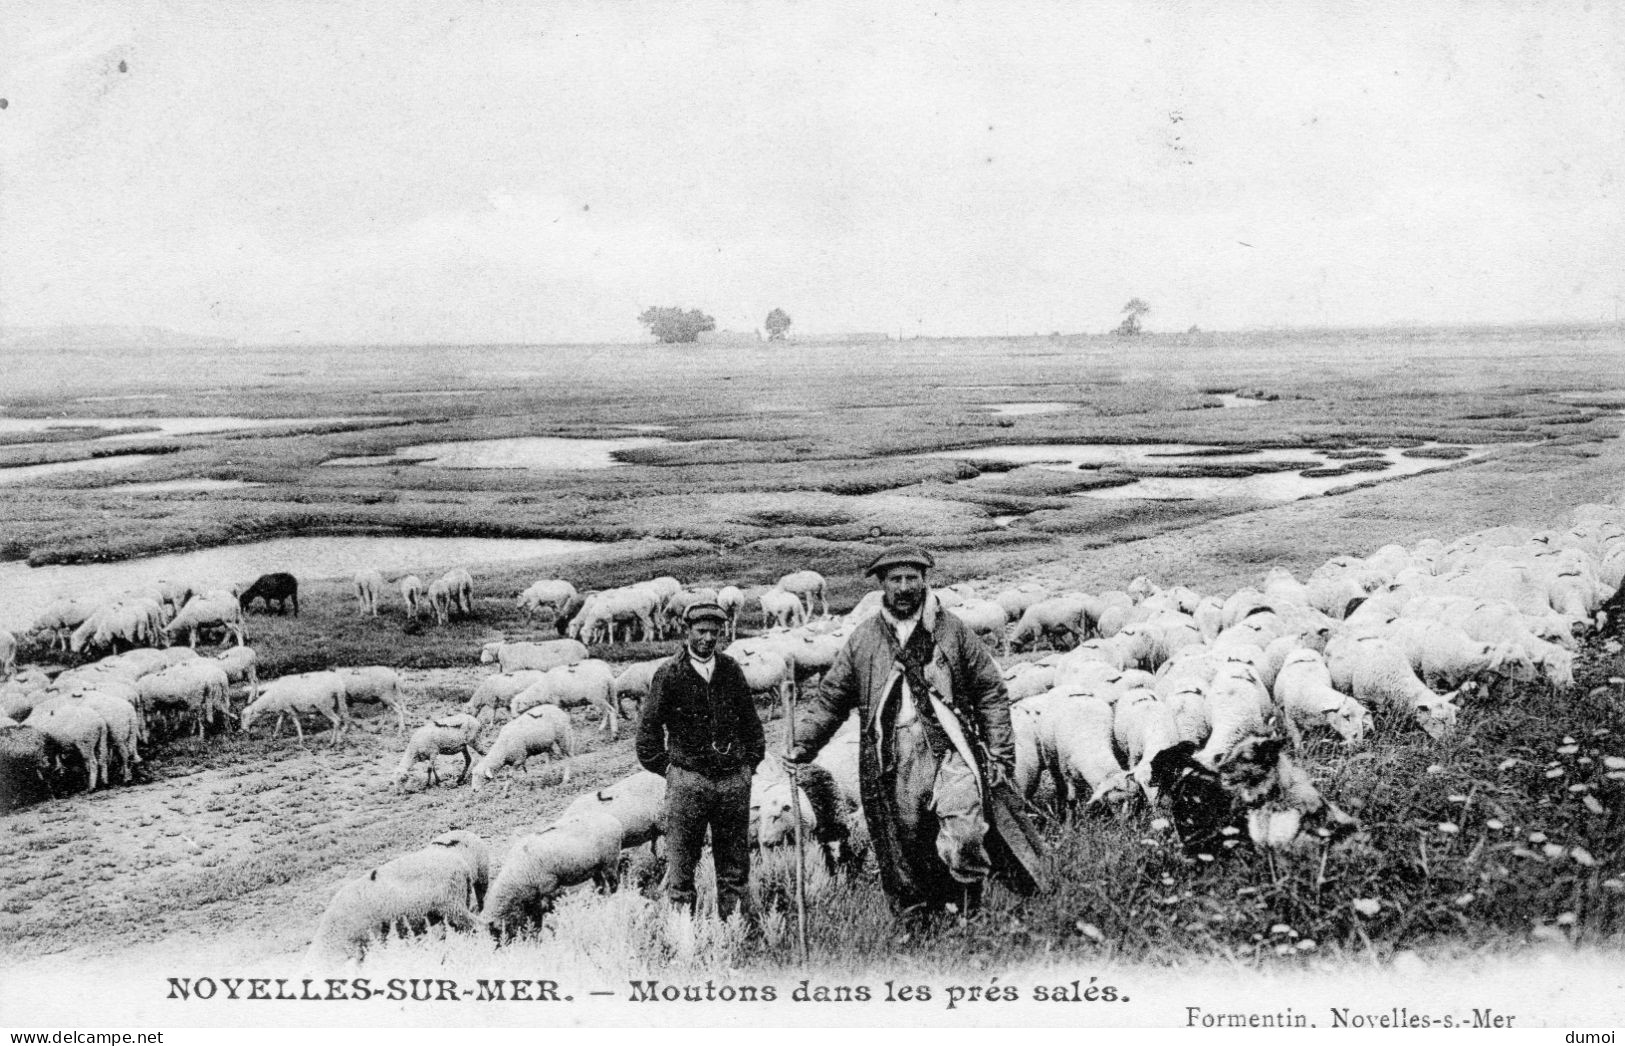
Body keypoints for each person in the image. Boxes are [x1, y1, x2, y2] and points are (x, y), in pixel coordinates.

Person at [784, 545, 1042, 922]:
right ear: (882, 585)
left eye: (912, 578)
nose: (904, 587)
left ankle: (970, 908)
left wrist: (1001, 753)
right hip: (893, 755)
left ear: (924, 580)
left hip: (950, 747)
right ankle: (925, 919)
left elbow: (990, 689)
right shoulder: (865, 639)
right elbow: (832, 698)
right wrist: (802, 744)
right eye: (895, 579)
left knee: (966, 833)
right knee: (907, 843)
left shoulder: (952, 630)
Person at [636, 600, 766, 920]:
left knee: (734, 869)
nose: (708, 638)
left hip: (732, 783)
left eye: (715, 632)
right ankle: (685, 943)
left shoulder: (731, 670)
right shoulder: (668, 674)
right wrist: (671, 770)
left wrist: (747, 767)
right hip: (688, 783)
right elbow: (647, 735)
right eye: (701, 631)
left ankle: (734, 936)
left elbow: (752, 725)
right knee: (681, 869)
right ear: (687, 631)